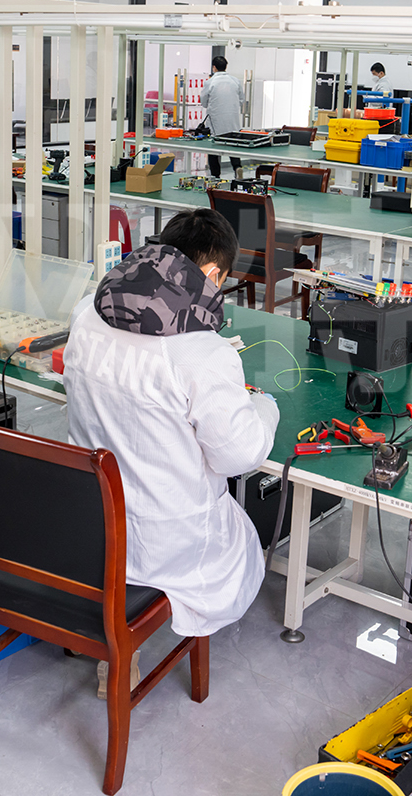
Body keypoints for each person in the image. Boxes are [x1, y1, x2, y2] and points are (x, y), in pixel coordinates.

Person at [63, 208, 279, 688]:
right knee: (244, 542)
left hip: (89, 522)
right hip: (167, 540)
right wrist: (264, 408)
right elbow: (239, 456)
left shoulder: (85, 313)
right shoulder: (202, 351)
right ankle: (130, 631)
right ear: (212, 275)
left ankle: (109, 636)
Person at [200, 55, 244, 137]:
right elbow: (241, 101)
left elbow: (204, 103)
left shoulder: (210, 82)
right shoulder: (235, 81)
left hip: (215, 125)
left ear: (214, 67)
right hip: (233, 124)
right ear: (226, 67)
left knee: (216, 141)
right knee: (232, 140)